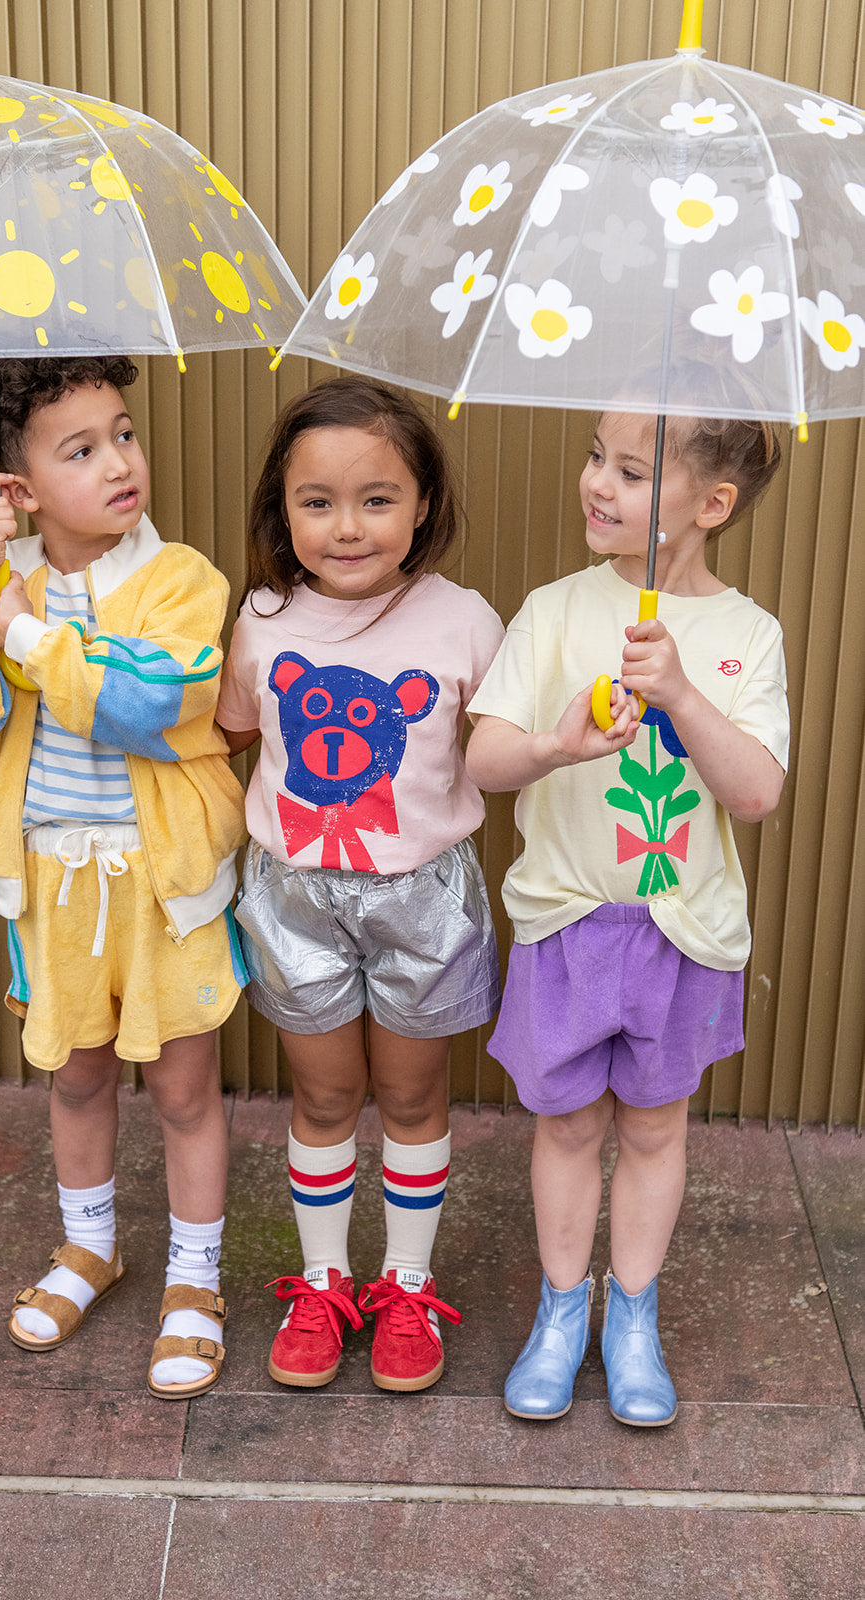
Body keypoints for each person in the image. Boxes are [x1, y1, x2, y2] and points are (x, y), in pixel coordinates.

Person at [0, 355, 247, 1400]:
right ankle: (89, 1246)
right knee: (78, 1074)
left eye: (124, 434)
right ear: (20, 486)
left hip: (160, 890)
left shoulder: (180, 578)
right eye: (80, 449)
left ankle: (195, 1278)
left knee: (182, 1087)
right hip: (53, 884)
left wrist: (32, 636)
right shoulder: (2, 589)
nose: (119, 461)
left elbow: (150, 701)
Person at [466, 403, 789, 1427]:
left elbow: (756, 793)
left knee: (651, 1127)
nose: (597, 484)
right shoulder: (554, 609)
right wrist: (555, 748)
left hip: (682, 930)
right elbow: (480, 761)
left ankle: (630, 1314)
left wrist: (683, 696)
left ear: (711, 503)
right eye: (593, 459)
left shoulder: (745, 636)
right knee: (564, 1124)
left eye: (633, 471)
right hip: (567, 920)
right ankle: (562, 1311)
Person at [216, 374, 505, 1392]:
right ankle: (322, 1279)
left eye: (377, 498)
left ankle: (407, 1287)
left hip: (420, 893)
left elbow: (506, 744)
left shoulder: (464, 621)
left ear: (422, 503)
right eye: (317, 501)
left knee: (410, 1092)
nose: (347, 527)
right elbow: (235, 734)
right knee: (325, 1090)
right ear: (280, 508)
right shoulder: (258, 620)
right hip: (294, 890)